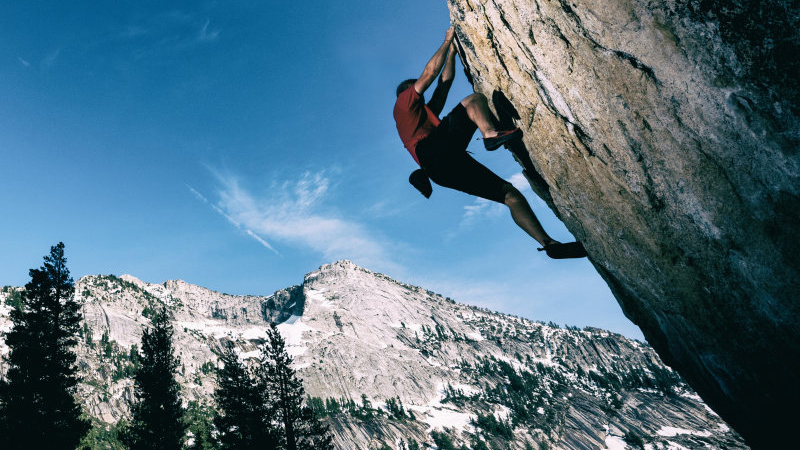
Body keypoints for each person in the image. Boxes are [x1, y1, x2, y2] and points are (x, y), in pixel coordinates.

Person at [393, 27, 587, 259]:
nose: (421, 93)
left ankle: (550, 245)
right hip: (433, 153)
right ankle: (490, 134)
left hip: (442, 169)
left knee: (510, 195)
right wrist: (446, 42)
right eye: (416, 91)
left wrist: (453, 53)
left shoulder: (422, 114)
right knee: (474, 100)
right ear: (407, 93)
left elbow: (444, 83)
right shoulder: (403, 105)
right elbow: (430, 74)